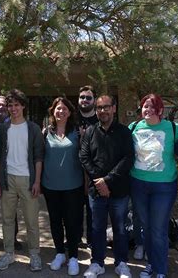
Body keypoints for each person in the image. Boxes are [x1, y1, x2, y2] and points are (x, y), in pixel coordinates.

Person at [129, 93, 178, 278]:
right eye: (145, 106)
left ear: (160, 110)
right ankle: (151, 265)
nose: (147, 110)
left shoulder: (172, 127)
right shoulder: (134, 127)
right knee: (145, 227)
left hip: (163, 187)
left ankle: (161, 270)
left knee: (159, 229)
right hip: (138, 184)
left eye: (152, 106)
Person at [79, 94, 135, 278]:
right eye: (99, 107)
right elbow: (84, 157)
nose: (102, 111)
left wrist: (108, 180)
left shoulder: (124, 132)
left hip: (119, 190)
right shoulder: (90, 132)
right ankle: (97, 263)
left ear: (114, 108)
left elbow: (128, 158)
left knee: (120, 228)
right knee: (97, 228)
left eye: (106, 107)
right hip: (96, 191)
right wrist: (99, 181)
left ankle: (121, 263)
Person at [0, 89, 45, 272]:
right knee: (7, 219)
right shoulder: (3, 129)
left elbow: (39, 157)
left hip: (28, 180)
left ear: (23, 106)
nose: (13, 108)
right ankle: (9, 253)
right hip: (7, 179)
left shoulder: (33, 128)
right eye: (10, 105)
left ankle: (35, 254)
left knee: (31, 220)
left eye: (16, 104)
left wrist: (37, 181)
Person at [42, 97, 84, 276]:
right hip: (50, 185)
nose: (61, 112)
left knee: (72, 221)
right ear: (53, 111)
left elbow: (84, 158)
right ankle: (59, 253)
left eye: (64, 109)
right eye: (58, 109)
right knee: (55, 220)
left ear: (70, 112)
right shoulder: (46, 132)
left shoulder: (77, 132)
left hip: (73, 185)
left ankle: (73, 256)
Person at [0, 95, 22, 250]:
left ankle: (12, 238)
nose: (0, 108)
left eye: (4, 105)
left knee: (10, 208)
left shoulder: (15, 124)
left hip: (10, 171)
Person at [77, 85, 98, 247]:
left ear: (94, 100)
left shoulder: (100, 119)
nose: (84, 100)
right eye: (82, 97)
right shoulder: (72, 118)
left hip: (94, 170)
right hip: (74, 170)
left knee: (93, 209)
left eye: (88, 97)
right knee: (74, 207)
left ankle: (93, 241)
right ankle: (75, 238)